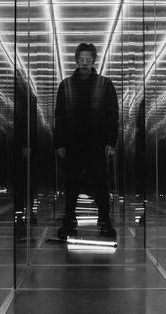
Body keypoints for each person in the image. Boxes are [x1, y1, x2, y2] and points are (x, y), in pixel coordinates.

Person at [54, 43, 119, 239]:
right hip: (74, 142)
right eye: (81, 59)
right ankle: (71, 220)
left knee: (99, 183)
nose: (84, 63)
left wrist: (110, 141)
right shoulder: (66, 85)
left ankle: (104, 219)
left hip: (95, 142)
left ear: (93, 60)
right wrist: (60, 142)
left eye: (87, 59)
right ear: (76, 60)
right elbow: (60, 116)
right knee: (72, 184)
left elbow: (112, 115)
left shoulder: (104, 84)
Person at [14, 72, 38, 239]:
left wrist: (26, 144)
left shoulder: (25, 98)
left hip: (21, 145)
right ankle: (24, 215)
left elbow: (27, 121)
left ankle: (22, 216)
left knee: (22, 184)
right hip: (22, 145)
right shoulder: (27, 98)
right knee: (24, 183)